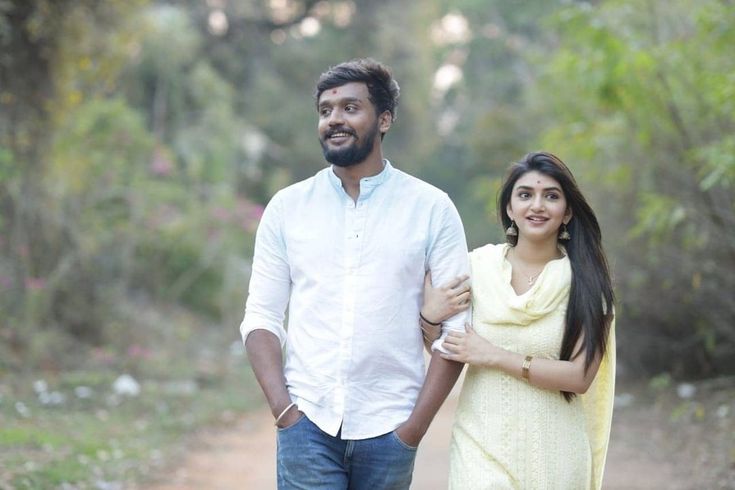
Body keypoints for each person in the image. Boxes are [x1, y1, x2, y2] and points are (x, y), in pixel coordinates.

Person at [239, 58, 471, 489]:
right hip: (307, 425)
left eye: (350, 107)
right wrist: (285, 413)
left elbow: (457, 330)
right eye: (326, 110)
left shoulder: (431, 209)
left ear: (384, 119)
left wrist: (413, 430)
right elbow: (260, 318)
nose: (334, 120)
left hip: (392, 426)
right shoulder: (288, 209)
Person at [421, 151, 616, 489]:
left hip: (555, 452)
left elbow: (580, 377)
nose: (537, 205)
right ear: (510, 209)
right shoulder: (476, 268)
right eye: (525, 195)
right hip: (480, 444)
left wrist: (493, 355)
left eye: (551, 196)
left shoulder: (586, 283)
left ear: (567, 211)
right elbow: (445, 346)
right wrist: (429, 316)